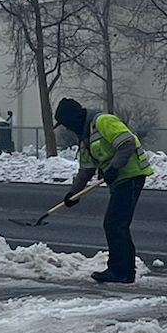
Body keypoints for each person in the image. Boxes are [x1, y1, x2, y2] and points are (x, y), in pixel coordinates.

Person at [54, 97, 153, 284]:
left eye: (66, 124)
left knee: (115, 223)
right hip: (119, 179)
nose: (67, 129)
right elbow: (86, 170)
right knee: (117, 224)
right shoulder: (86, 137)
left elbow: (127, 144)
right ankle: (124, 272)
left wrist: (113, 167)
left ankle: (120, 272)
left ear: (74, 119)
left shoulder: (103, 121)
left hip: (130, 175)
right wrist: (73, 194)